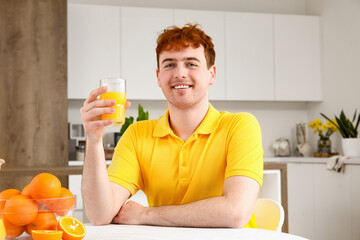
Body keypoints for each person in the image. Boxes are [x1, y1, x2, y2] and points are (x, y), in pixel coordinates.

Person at [80, 24, 263, 228]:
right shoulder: (136, 135)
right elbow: (99, 215)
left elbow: (235, 212)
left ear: (212, 74)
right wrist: (93, 139)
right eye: (169, 65)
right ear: (158, 77)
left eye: (191, 64)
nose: (180, 73)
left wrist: (146, 214)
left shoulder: (240, 126)